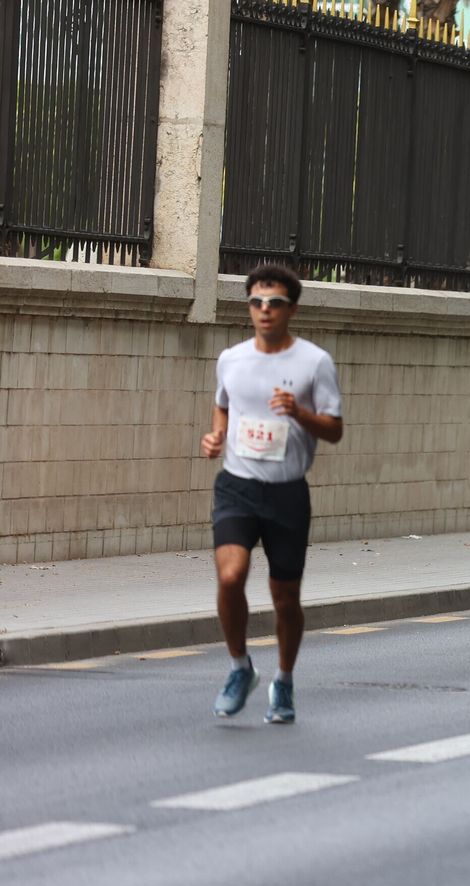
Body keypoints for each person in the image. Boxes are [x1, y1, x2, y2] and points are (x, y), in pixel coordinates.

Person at [202, 265, 343, 724]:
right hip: (237, 486)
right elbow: (223, 404)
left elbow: (335, 429)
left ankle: (283, 680)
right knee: (230, 577)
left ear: (292, 309)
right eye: (257, 302)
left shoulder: (314, 362)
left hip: (287, 493)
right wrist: (217, 435)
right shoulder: (232, 359)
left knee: (285, 597)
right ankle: (239, 667)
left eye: (275, 303)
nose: (264, 310)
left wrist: (298, 412)